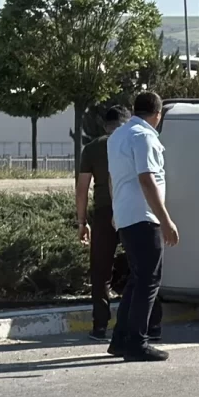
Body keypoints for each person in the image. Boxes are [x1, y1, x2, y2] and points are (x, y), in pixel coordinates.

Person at [106, 91, 178, 362]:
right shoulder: (144, 136)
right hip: (144, 216)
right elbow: (147, 180)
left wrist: (116, 210)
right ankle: (137, 342)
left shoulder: (118, 136)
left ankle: (121, 339)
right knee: (149, 280)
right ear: (158, 115)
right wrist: (166, 220)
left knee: (137, 279)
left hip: (126, 215)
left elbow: (113, 178)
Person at [76, 105, 130, 341]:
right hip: (131, 210)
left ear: (105, 125)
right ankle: (146, 324)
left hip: (103, 213)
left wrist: (82, 221)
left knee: (100, 272)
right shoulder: (133, 142)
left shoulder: (92, 148)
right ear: (126, 123)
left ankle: (100, 326)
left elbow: (82, 188)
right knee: (140, 267)